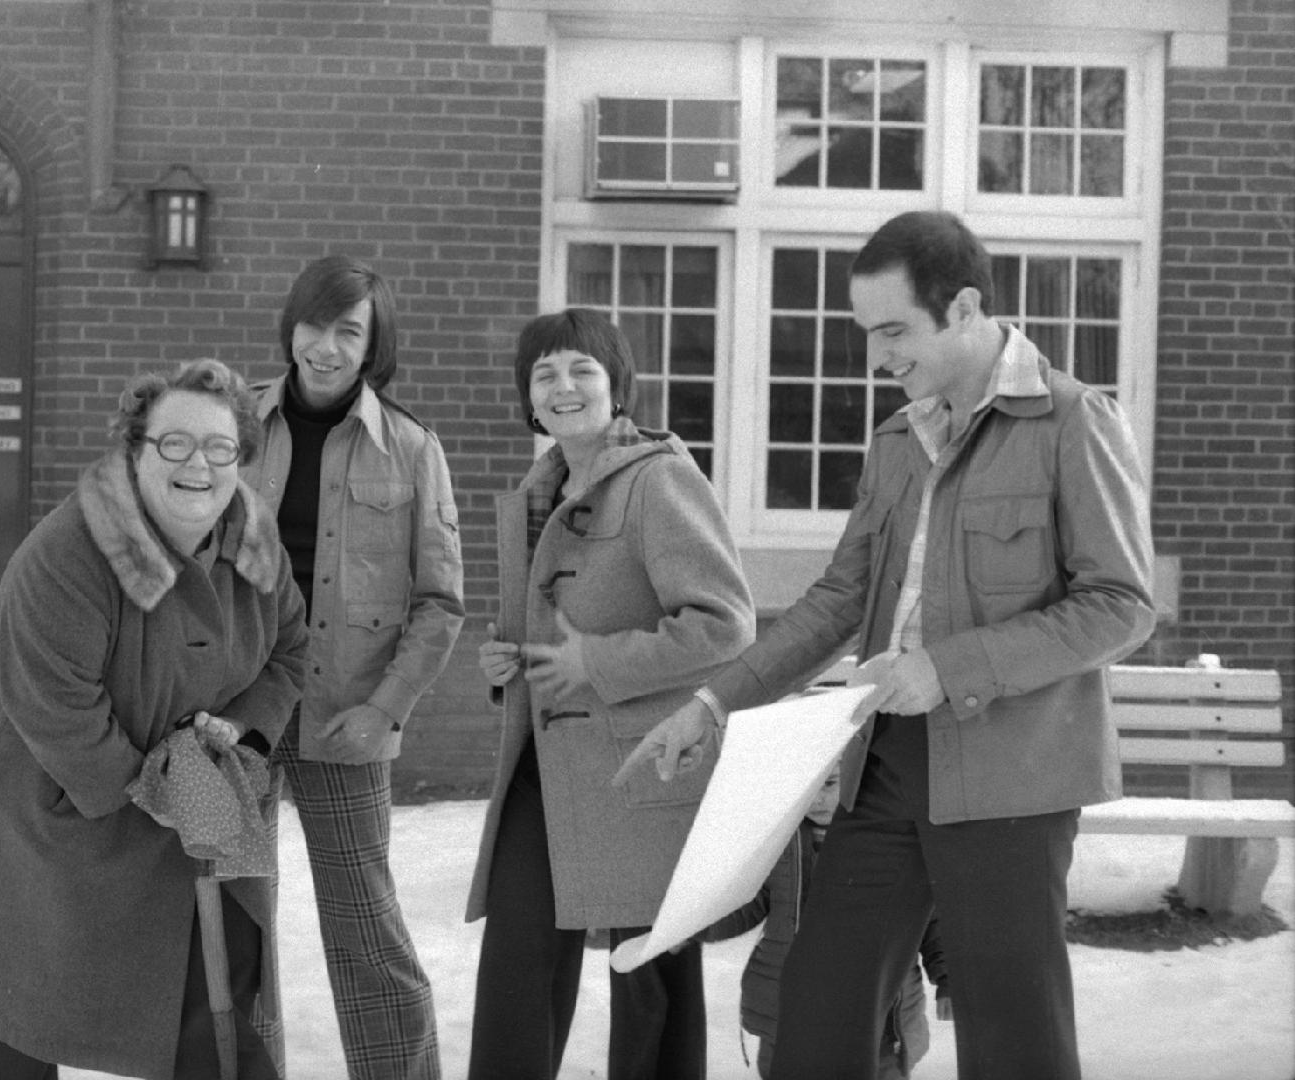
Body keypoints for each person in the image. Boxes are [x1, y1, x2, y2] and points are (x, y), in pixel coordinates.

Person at [618, 210, 1156, 1080]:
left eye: (895, 329)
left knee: (1013, 1034)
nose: (877, 358)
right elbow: (839, 599)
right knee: (818, 1012)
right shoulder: (898, 440)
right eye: (867, 333)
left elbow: (1122, 605)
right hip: (887, 763)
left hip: (1013, 774)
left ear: (967, 306)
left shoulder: (1072, 422)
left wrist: (945, 668)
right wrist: (712, 703)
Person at [0, 360, 309, 1080]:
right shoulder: (69, 554)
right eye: (174, 443)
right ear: (135, 450)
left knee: (221, 998)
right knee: (16, 1009)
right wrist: (165, 788)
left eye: (220, 447)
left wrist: (241, 725)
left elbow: (291, 650)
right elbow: (57, 705)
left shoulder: (255, 542)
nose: (198, 464)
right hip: (48, 807)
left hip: (196, 793)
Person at [465, 308, 755, 1080]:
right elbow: (551, 632)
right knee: (517, 962)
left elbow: (725, 624)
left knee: (651, 980)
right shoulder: (539, 490)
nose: (563, 387)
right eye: (544, 374)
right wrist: (511, 664)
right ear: (528, 398)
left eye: (581, 371)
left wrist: (598, 663)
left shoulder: (659, 479)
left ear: (617, 386)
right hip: (546, 767)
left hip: (639, 765)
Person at [239, 254, 464, 1080]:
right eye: (314, 324)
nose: (325, 346)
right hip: (235, 717)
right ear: (290, 326)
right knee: (234, 921)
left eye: (349, 331)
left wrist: (387, 708)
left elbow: (440, 602)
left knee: (367, 928)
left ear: (373, 347)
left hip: (347, 719)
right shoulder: (232, 425)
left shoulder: (410, 447)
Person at [700, 767, 949, 1079]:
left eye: (829, 783)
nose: (817, 798)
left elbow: (931, 921)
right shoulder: (778, 845)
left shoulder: (891, 845)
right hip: (788, 1011)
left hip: (874, 1012)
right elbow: (747, 906)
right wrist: (697, 926)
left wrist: (948, 979)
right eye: (808, 786)